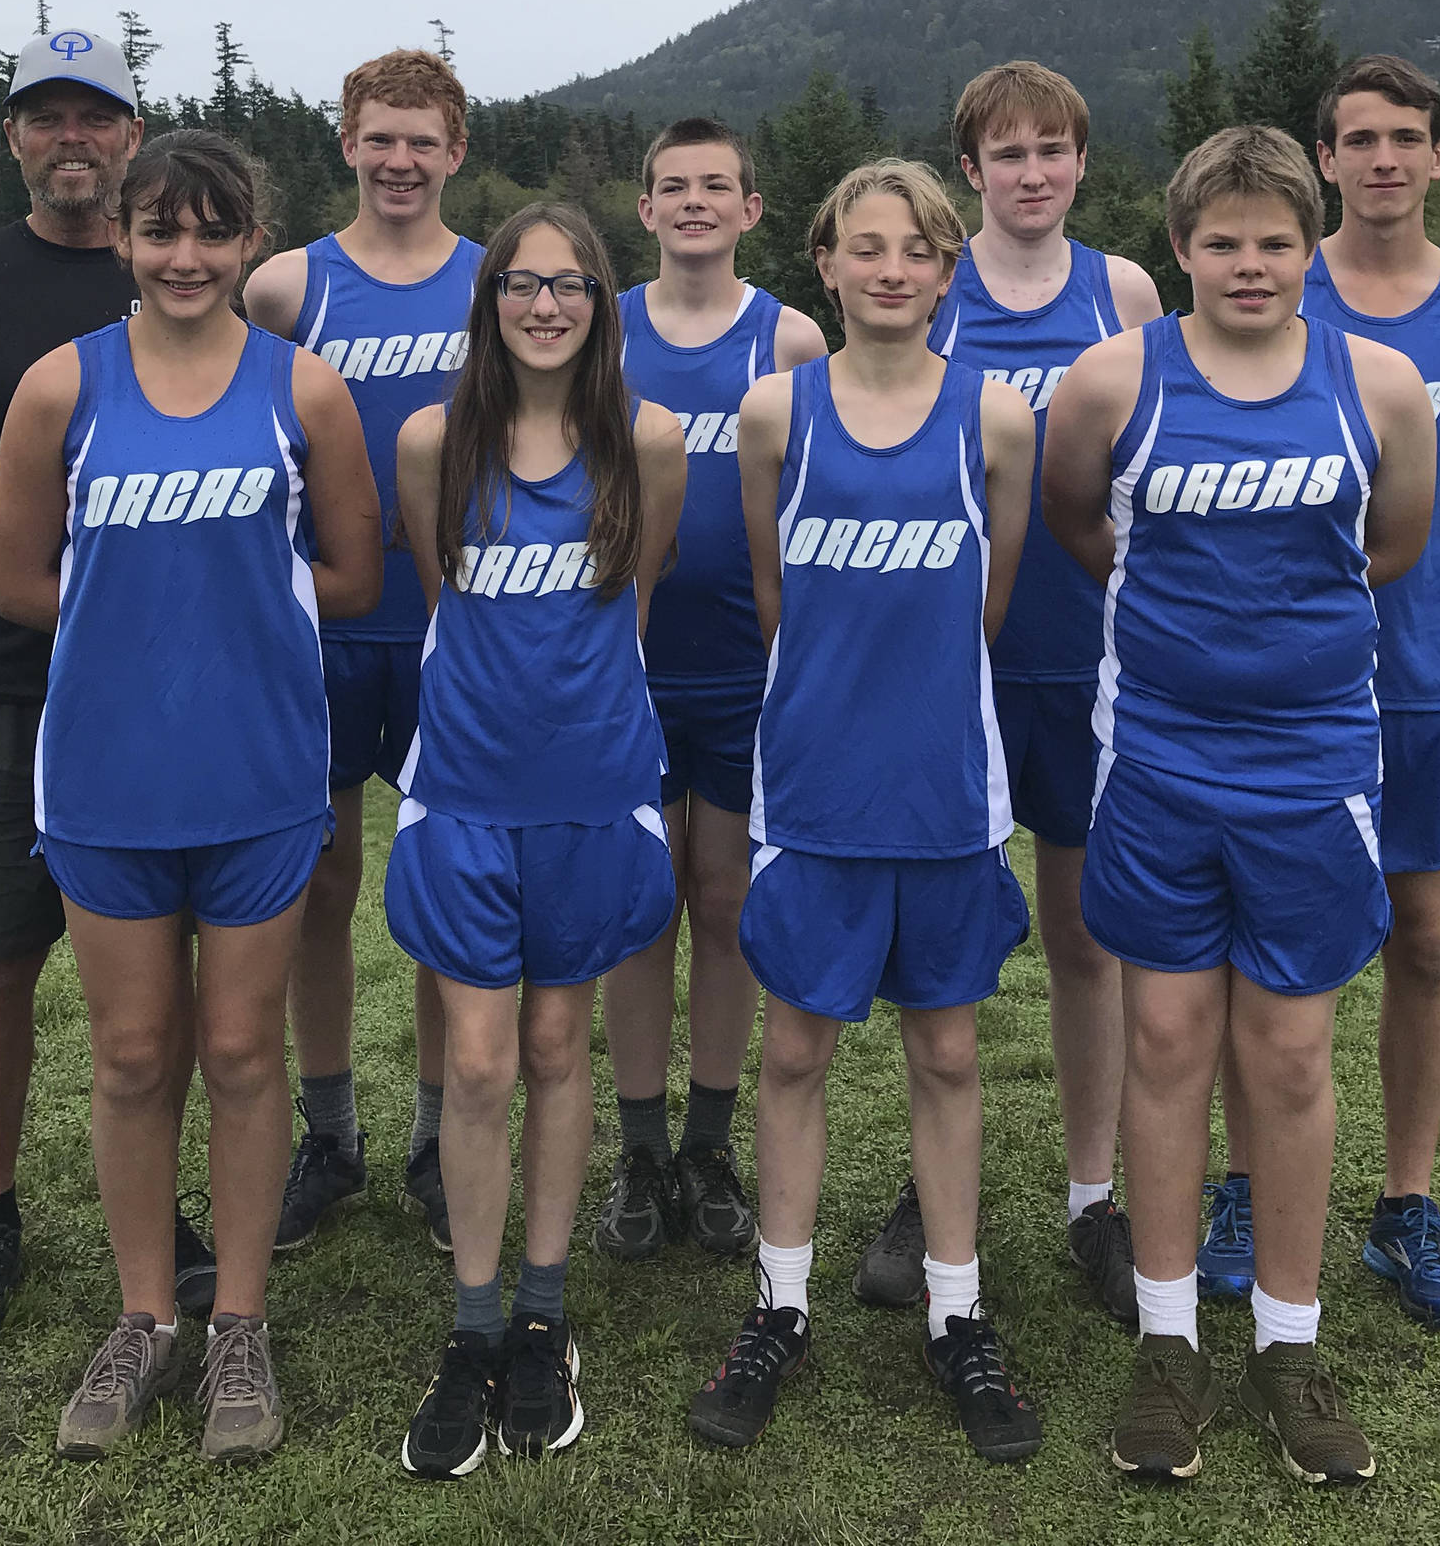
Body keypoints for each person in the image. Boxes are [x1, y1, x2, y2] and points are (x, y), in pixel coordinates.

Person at [1041, 125, 1435, 1485]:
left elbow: (1391, 548)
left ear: (1306, 242)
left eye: (1276, 239)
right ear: (1184, 247)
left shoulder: (1378, 387)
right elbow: (1083, 525)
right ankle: (1167, 1339)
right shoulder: (1110, 379)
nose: (1251, 263)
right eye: (1224, 240)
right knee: (1163, 1037)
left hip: (1314, 770)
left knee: (1286, 1058)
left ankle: (1287, 1338)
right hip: (1158, 762)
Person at [0, 130, 380, 1460]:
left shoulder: (303, 392)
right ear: (126, 239)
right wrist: (141, 630)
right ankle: (147, 1314)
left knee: (240, 1052)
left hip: (261, 775)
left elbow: (355, 572)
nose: (187, 257)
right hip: (106, 778)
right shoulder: (62, 390)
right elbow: (17, 582)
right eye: (163, 231)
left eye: (214, 232)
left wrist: (232, 618)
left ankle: (241, 1325)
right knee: (135, 1054)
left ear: (250, 240)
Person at [687, 159, 1041, 1464]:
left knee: (947, 1055)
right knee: (796, 1052)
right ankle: (780, 1302)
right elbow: (781, 605)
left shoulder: (995, 420)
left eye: (918, 252)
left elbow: (984, 611)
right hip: (816, 792)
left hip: (946, 786)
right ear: (825, 265)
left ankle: (958, 1311)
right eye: (867, 248)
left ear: (948, 274)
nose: (892, 269)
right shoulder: (775, 411)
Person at [1194, 57, 1440, 1327]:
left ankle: (1402, 1203)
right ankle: (1241, 1183)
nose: (1382, 158)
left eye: (1406, 137)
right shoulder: (1273, 278)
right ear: (1322, 159)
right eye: (1356, 139)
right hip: (1274, 683)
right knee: (1259, 944)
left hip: (1424, 671)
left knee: (1423, 935)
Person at [0, 28, 219, 1349]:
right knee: (0, 959)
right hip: (5, 678)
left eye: (99, 118)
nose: (73, 138)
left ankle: (166, 1204)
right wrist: (11, 588)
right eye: (49, 118)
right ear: (15, 136)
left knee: (158, 982)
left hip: (159, 696)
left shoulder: (184, 287)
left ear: (134, 138)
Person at [854, 60, 1163, 1323]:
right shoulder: (929, 288)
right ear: (968, 166)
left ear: (1079, 164)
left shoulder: (1124, 292)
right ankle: (933, 1194)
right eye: (1007, 151)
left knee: (1090, 941)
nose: (1031, 172)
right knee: (943, 954)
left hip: (1095, 666)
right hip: (957, 675)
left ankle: (1093, 1196)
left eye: (1053, 150)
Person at [388, 204, 687, 1479]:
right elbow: (436, 593)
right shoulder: (429, 440)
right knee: (473, 1059)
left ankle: (542, 1313)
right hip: (460, 789)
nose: (546, 304)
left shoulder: (648, 442)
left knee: (559, 1041)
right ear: (490, 297)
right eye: (523, 282)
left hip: (593, 789)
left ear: (601, 303)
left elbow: (640, 597)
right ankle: (468, 1322)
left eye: (570, 285)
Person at [244, 49, 483, 1255]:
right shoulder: (290, 287)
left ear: (454, 151)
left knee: (442, 896)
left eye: (421, 140)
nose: (399, 160)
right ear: (346, 142)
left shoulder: (499, 287)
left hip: (456, 633)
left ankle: (438, 1140)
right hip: (324, 630)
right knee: (318, 888)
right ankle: (328, 1133)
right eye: (378, 138)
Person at [596, 117, 827, 1262]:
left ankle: (707, 1140)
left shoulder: (787, 338)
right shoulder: (600, 331)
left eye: (717, 186)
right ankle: (637, 1149)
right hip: (622, 663)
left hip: (745, 666)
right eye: (671, 185)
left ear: (749, 209)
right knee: (641, 904)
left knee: (725, 897)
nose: (694, 201)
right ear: (642, 209)